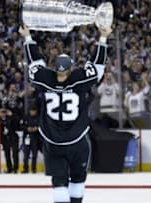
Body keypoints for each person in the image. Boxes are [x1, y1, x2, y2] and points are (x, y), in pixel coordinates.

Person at [20, 25, 112, 203]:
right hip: (77, 140)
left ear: (54, 68)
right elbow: (97, 67)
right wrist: (103, 38)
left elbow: (34, 64)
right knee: (78, 179)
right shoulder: (78, 79)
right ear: (70, 69)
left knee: (59, 182)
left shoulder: (46, 79)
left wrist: (27, 37)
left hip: (53, 142)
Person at [22, 107, 41, 174]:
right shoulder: (26, 117)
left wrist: (37, 128)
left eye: (34, 111)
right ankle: (25, 168)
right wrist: (27, 129)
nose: (33, 112)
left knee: (34, 154)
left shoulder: (39, 118)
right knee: (26, 154)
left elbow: (41, 126)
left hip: (35, 138)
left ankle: (33, 169)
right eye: (31, 111)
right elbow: (21, 126)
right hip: (27, 137)